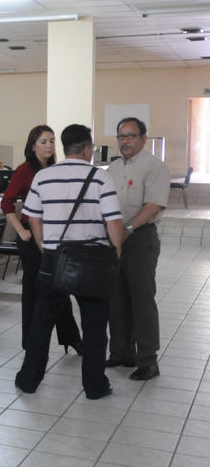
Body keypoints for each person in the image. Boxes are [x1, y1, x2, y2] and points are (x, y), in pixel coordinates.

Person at [15, 124, 123, 400]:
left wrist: (44, 246)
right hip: (93, 260)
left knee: (41, 323)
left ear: (64, 147)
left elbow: (33, 216)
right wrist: (116, 252)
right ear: (87, 148)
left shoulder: (44, 177)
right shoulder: (101, 177)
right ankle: (95, 386)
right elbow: (113, 222)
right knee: (95, 326)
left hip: (54, 258)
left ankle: (29, 380)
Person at [1, 125, 82, 354]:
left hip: (53, 235)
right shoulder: (25, 170)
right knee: (33, 291)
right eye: (44, 141)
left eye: (52, 141)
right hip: (30, 235)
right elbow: (7, 203)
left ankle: (72, 338)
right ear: (33, 145)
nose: (49, 146)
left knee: (60, 287)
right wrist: (21, 231)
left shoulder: (55, 169)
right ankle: (30, 343)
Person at [106, 117, 170, 381]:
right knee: (116, 297)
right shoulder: (112, 168)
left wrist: (128, 228)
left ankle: (147, 360)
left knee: (141, 298)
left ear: (143, 138)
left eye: (131, 136)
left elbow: (153, 204)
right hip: (114, 237)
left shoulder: (154, 166)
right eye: (121, 136)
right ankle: (121, 352)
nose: (125, 141)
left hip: (140, 237)